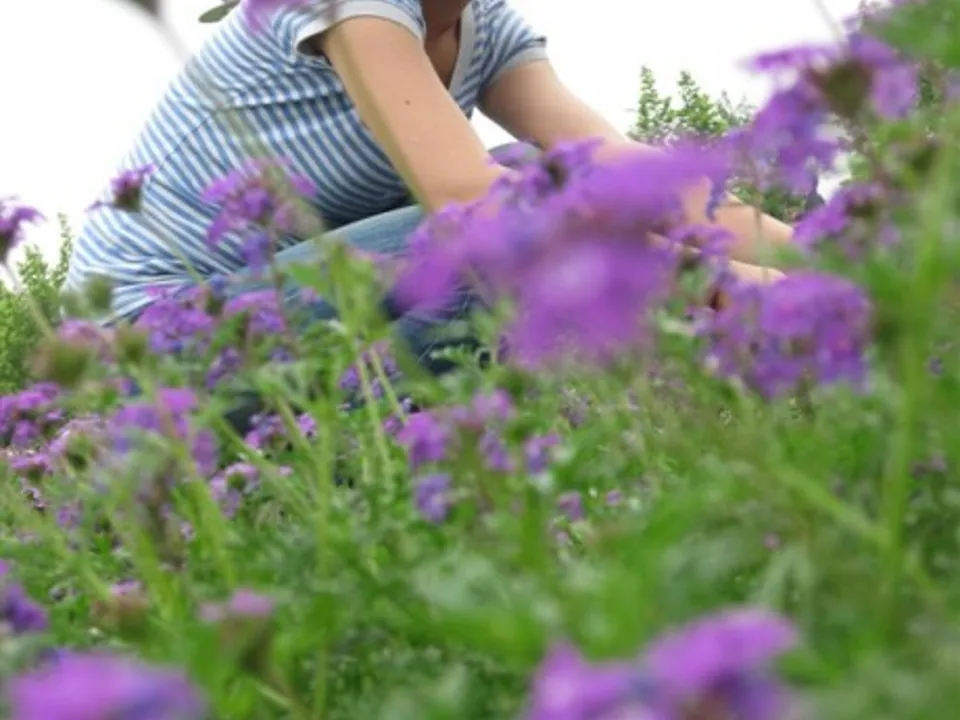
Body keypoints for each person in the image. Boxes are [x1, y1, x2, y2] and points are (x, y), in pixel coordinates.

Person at [68, 0, 794, 361]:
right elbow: (474, 204)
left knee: (538, 183)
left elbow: (621, 171)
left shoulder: (487, 27)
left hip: (296, 302)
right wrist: (731, 286)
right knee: (503, 226)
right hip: (149, 339)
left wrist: (832, 254)